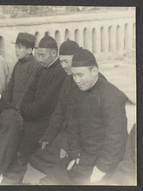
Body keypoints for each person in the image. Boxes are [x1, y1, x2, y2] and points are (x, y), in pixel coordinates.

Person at [40, 48, 128, 185]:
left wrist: (100, 169)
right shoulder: (78, 92)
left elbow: (116, 140)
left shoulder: (112, 96)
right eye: (74, 75)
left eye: (80, 75)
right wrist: (76, 156)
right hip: (83, 156)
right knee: (48, 180)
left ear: (94, 71)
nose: (77, 80)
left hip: (104, 160)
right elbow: (73, 128)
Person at [22, 40, 80, 184]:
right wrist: (48, 136)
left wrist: (66, 143)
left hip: (78, 136)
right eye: (62, 62)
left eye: (67, 61)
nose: (64, 66)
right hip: (64, 129)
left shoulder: (80, 80)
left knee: (60, 162)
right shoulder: (68, 78)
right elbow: (60, 110)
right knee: (37, 156)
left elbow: (79, 119)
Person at [18, 35, 66, 164]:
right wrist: (24, 109)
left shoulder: (60, 72)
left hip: (46, 118)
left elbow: (47, 102)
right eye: (38, 55)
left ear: (54, 53)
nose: (39, 59)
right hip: (33, 114)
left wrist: (27, 112)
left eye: (42, 55)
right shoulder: (41, 68)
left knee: (27, 133)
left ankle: (23, 163)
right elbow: (29, 92)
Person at [3, 32, 40, 110]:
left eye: (19, 47)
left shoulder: (34, 66)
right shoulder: (18, 64)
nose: (16, 50)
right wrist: (5, 106)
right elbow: (10, 87)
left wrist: (18, 109)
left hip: (24, 109)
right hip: (13, 107)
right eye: (15, 47)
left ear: (29, 50)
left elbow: (28, 92)